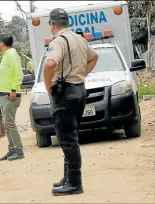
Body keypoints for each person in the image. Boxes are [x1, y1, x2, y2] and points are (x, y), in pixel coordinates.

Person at [44, 8, 99, 196]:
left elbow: (50, 64)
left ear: (52, 25)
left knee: (68, 140)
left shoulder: (59, 41)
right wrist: (82, 73)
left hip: (65, 92)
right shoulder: (79, 38)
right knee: (71, 136)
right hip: (79, 90)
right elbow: (94, 57)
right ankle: (68, 177)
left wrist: (47, 84)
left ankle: (74, 183)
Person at [0, 34, 24, 161]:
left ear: (2, 43)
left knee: (10, 123)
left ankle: (18, 150)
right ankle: (12, 149)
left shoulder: (12, 55)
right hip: (3, 95)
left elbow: (18, 73)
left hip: (10, 95)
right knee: (7, 123)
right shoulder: (6, 55)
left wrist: (13, 89)